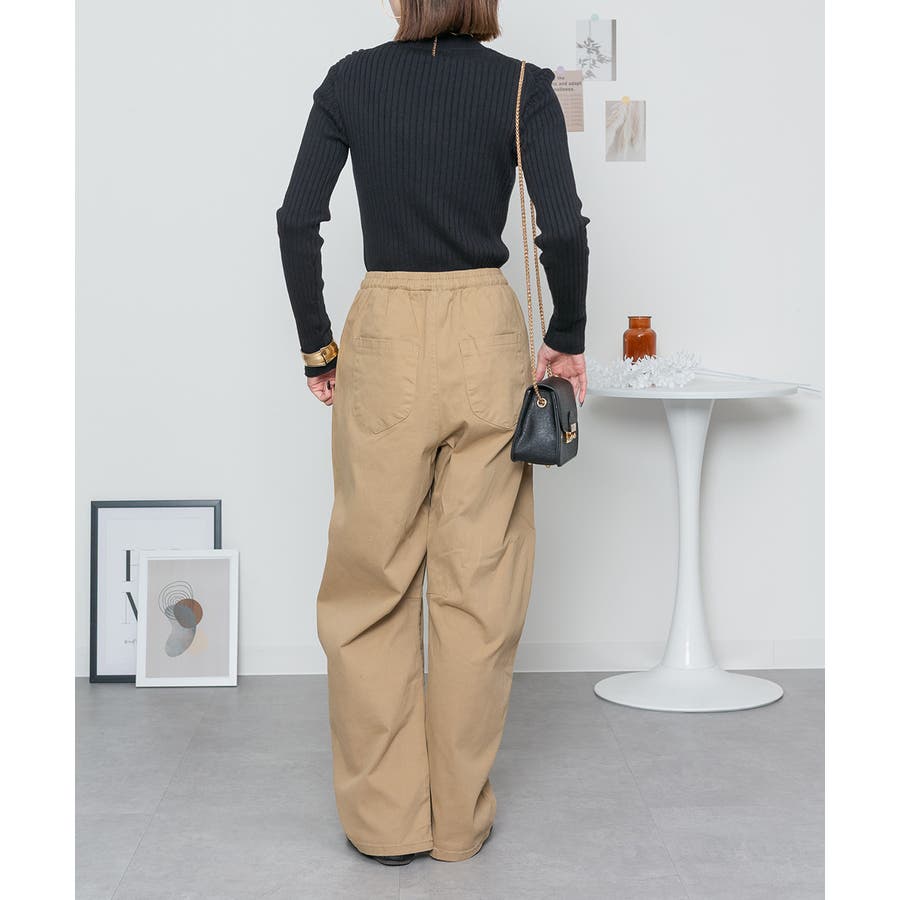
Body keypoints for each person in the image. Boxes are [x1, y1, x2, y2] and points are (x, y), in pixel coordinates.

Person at [275, 0, 589, 866]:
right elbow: (562, 227)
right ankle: (457, 822)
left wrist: (318, 347)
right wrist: (566, 335)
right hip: (485, 334)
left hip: (384, 332)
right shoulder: (521, 87)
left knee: (370, 583)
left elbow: (297, 219)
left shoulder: (351, 81)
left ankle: (385, 824)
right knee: (477, 588)